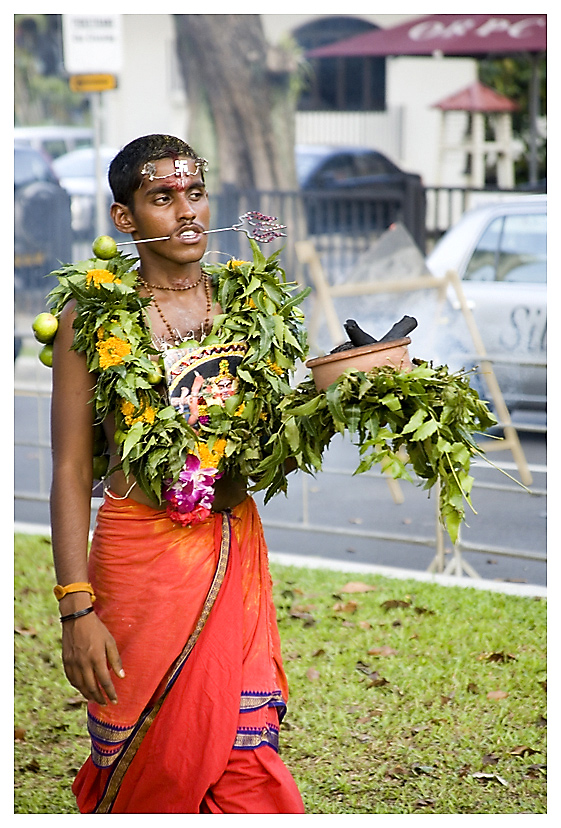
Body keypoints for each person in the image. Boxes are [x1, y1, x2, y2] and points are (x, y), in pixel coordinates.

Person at [49, 134, 306, 814]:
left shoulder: (249, 308)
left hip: (230, 553)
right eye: (161, 198)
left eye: (194, 194)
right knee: (148, 774)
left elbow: (274, 437)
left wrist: (351, 393)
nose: (185, 212)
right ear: (124, 219)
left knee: (246, 772)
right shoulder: (91, 318)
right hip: (138, 566)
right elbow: (73, 468)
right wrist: (76, 606)